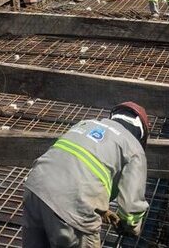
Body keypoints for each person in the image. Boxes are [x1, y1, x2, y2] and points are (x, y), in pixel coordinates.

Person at [22, 102, 150, 247]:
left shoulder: (85, 124)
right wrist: (130, 226)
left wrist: (101, 210)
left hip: (34, 187)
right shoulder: (134, 148)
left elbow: (73, 167)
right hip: (73, 208)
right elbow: (131, 205)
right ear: (141, 134)